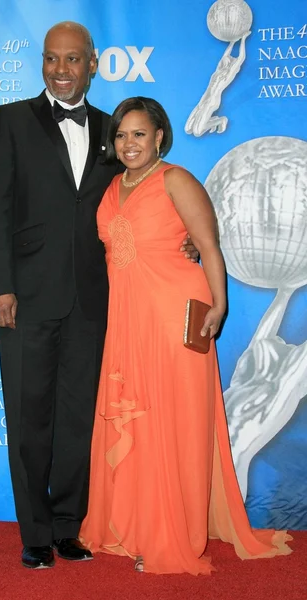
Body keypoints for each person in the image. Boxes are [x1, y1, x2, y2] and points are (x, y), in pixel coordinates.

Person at [0, 23, 197, 570]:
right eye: (52, 60)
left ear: (92, 65)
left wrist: (184, 234)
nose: (61, 70)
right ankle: (34, 533)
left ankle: (70, 527)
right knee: (29, 418)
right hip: (23, 299)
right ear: (42, 64)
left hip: (96, 302)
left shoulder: (111, 131)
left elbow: (141, 191)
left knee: (80, 418)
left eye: (73, 60)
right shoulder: (8, 120)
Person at [79, 97, 293, 574]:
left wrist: (219, 305)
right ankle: (132, 528)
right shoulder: (112, 187)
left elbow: (210, 247)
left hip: (176, 317)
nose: (128, 143)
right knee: (135, 421)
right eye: (121, 135)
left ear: (159, 136)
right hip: (128, 321)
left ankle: (170, 533)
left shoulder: (176, 179)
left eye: (139, 134)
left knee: (171, 422)